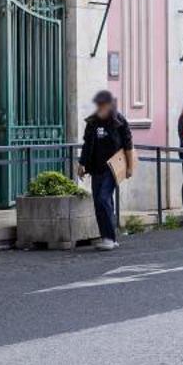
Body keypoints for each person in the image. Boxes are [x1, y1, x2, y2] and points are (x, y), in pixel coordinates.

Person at [78, 90, 134, 249]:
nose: (101, 107)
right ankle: (107, 237)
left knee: (104, 198)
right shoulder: (93, 122)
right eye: (99, 104)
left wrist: (129, 167)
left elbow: (128, 145)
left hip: (113, 168)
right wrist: (82, 164)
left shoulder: (119, 121)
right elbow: (87, 144)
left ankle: (110, 238)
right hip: (96, 168)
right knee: (99, 201)